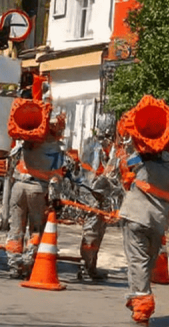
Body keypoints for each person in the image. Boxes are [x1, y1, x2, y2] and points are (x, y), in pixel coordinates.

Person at [117, 95, 169, 326]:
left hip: (135, 216)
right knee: (146, 262)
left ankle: (142, 308)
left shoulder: (139, 162)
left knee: (137, 262)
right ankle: (136, 295)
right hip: (158, 223)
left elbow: (124, 167)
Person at [5, 111, 67, 279]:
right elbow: (55, 177)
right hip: (38, 189)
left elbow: (11, 163)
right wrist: (55, 199)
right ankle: (27, 262)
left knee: (16, 228)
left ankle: (13, 264)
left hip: (18, 187)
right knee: (36, 228)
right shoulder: (55, 148)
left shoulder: (26, 142)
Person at [75, 113, 128, 281]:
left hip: (99, 195)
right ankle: (85, 267)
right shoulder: (96, 146)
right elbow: (99, 174)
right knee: (91, 232)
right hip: (93, 195)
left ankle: (91, 267)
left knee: (98, 232)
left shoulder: (101, 145)